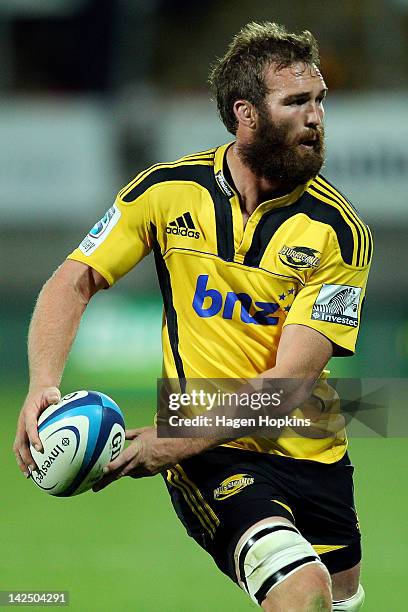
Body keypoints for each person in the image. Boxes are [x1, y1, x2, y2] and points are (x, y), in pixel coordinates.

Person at [14, 22, 372, 611]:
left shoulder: (339, 232)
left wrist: (170, 439)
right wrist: (42, 383)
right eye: (296, 102)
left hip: (313, 450)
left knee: (337, 600)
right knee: (300, 593)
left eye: (320, 100)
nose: (316, 117)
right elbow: (72, 280)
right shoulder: (167, 190)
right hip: (208, 445)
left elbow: (289, 388)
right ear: (246, 114)